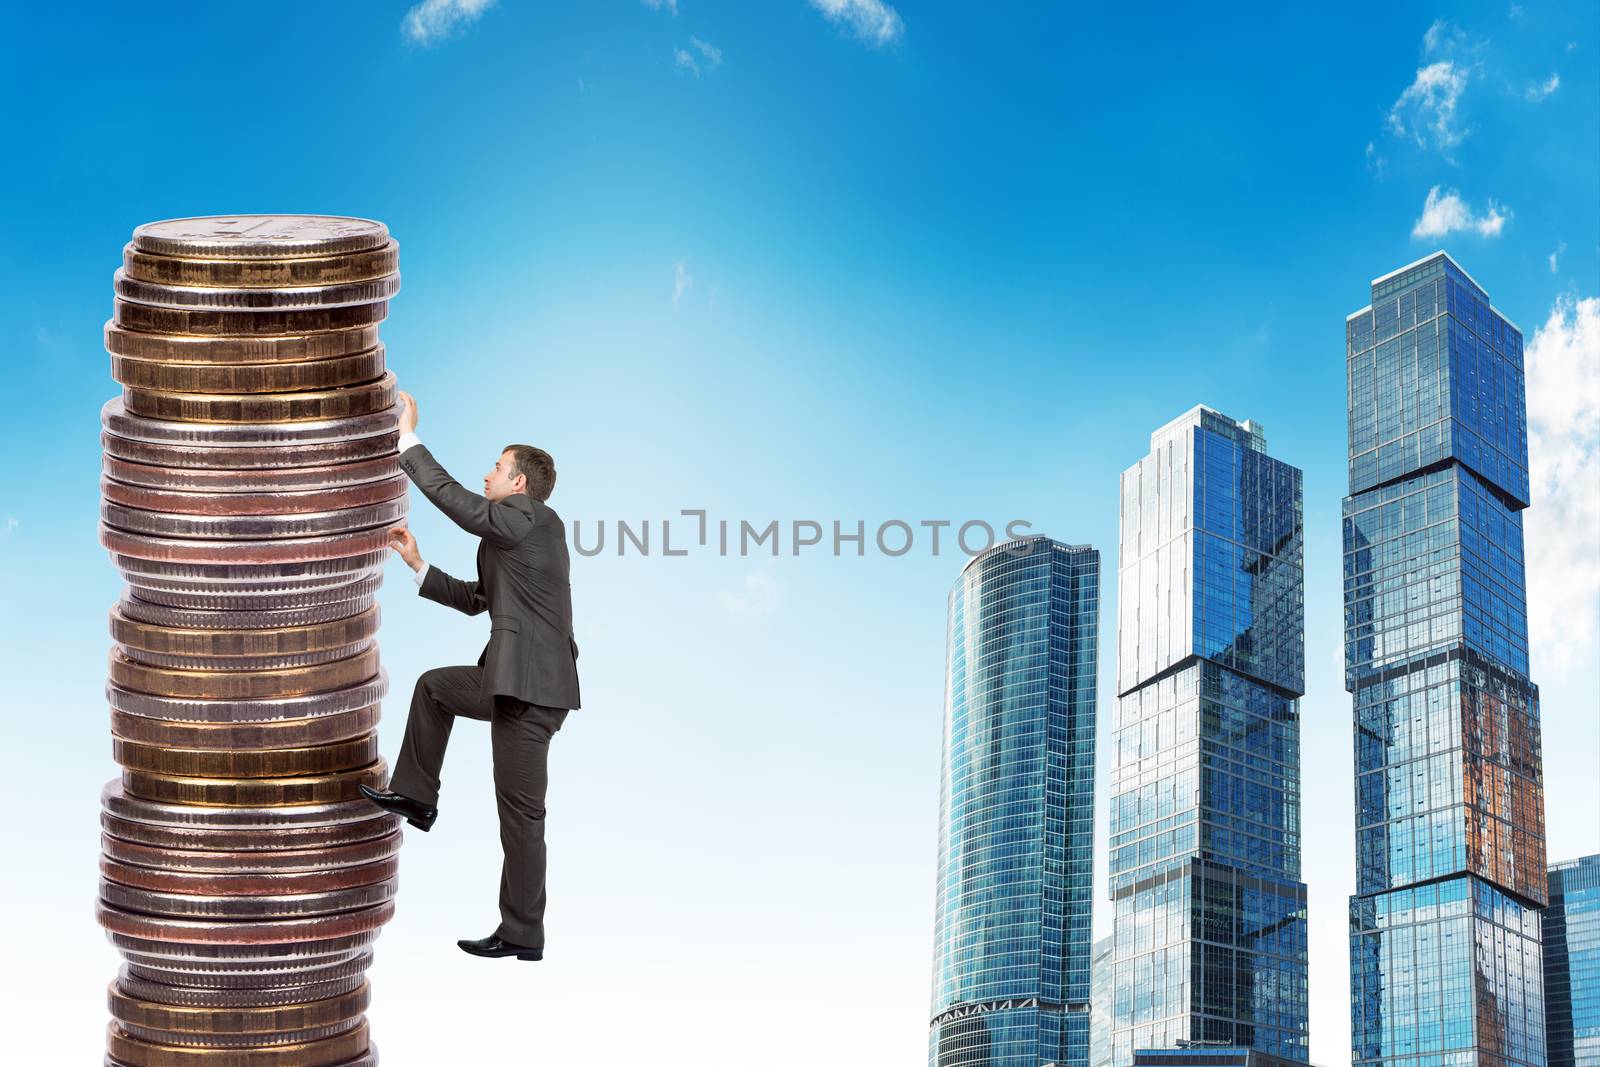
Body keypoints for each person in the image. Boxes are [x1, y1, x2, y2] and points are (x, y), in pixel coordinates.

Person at [359, 390, 581, 962]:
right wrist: (418, 567)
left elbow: (459, 503)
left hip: (530, 692)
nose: (488, 474)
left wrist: (409, 439)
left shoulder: (531, 519)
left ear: (519, 486)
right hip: (509, 681)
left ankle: (522, 932)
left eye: (497, 468)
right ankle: (416, 795)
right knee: (435, 687)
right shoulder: (512, 536)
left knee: (522, 817)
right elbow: (477, 598)